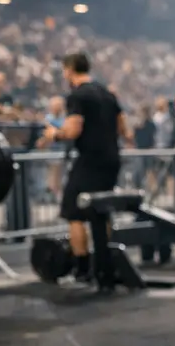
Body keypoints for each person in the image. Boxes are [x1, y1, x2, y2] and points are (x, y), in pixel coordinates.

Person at [36, 53, 133, 288]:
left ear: (69, 70)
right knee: (101, 211)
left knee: (74, 213)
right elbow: (125, 130)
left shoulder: (77, 95)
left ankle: (82, 269)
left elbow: (72, 131)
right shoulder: (107, 93)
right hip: (111, 159)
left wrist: (53, 134)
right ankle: (104, 263)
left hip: (89, 160)